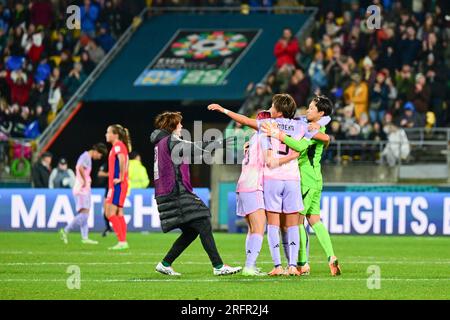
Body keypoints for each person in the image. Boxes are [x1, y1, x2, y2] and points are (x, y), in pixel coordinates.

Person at [208, 94, 330, 276]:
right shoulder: (300, 125)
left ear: (279, 111)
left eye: (272, 106)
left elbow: (244, 120)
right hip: (293, 179)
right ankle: (293, 266)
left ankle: (277, 266)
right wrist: (320, 124)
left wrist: (224, 110)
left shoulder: (267, 125)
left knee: (272, 225)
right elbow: (324, 138)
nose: (269, 109)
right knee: (292, 225)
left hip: (270, 179)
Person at [151, 111, 242, 276]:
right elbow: (194, 148)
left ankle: (165, 264)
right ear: (172, 126)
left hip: (167, 192)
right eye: (179, 123)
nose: (182, 126)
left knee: (192, 230)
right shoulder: (170, 140)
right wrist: (217, 144)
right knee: (203, 219)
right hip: (175, 191)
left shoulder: (161, 143)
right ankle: (218, 266)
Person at [261, 95, 341, 276]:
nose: (307, 110)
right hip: (317, 179)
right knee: (315, 220)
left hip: (305, 179)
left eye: (312, 109)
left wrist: (277, 134)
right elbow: (309, 124)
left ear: (320, 113)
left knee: (297, 221)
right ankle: (331, 256)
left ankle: (302, 263)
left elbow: (299, 146)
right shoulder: (315, 125)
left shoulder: (313, 131)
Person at [236, 111, 299, 276]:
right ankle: (249, 266)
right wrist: (292, 156)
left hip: (242, 185)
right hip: (254, 185)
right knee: (259, 228)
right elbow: (268, 161)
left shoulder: (252, 139)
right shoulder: (262, 138)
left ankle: (251, 264)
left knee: (252, 229)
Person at [60, 143, 107, 244]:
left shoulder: (87, 157)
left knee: (85, 214)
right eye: (100, 155)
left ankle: (85, 237)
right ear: (96, 151)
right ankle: (65, 230)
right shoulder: (85, 156)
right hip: (82, 188)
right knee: (84, 214)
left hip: (84, 188)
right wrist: (85, 181)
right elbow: (79, 167)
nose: (99, 157)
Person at [105, 124, 131, 250]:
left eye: (108, 132)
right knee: (118, 212)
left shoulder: (118, 146)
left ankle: (122, 241)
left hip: (117, 185)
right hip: (117, 185)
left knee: (109, 212)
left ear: (115, 135)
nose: (106, 134)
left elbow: (122, 160)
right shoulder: (119, 146)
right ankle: (123, 241)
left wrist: (121, 177)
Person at [96, 161, 113, 237]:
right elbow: (100, 173)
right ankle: (108, 228)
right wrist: (109, 174)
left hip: (116, 188)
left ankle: (115, 229)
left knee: (115, 211)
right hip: (108, 189)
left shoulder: (120, 164)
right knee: (106, 211)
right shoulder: (107, 164)